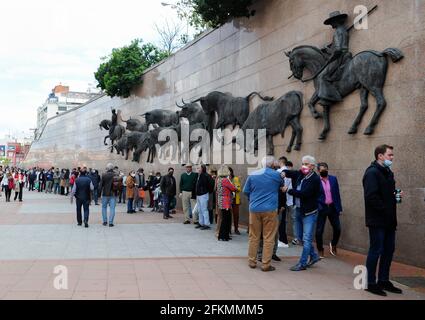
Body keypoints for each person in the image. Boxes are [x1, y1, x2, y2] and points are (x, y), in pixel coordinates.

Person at [363, 144, 403, 296]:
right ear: (380, 156)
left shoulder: (388, 172)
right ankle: (371, 283)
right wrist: (385, 209)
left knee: (389, 250)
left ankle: (383, 280)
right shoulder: (372, 173)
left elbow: (387, 193)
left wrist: (395, 195)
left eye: (392, 155)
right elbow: (371, 196)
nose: (392, 158)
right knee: (376, 250)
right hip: (378, 220)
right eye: (389, 155)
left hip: (390, 220)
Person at [243, 156, 284, 272]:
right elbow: (281, 186)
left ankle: (252, 261)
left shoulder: (253, 174)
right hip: (270, 209)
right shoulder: (276, 175)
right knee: (269, 237)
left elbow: (246, 191)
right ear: (272, 165)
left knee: (253, 236)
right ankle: (266, 264)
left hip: (254, 209)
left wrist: (254, 199)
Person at [285, 155, 321, 271]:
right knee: (299, 237)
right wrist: (283, 172)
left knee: (307, 239)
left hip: (309, 213)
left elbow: (304, 193)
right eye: (302, 163)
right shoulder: (301, 174)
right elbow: (291, 173)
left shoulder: (315, 179)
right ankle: (314, 256)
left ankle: (302, 263)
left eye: (306, 164)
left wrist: (289, 190)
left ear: (312, 166)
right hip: (299, 210)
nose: (303, 166)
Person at [317, 11, 351, 103]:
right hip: (344, 54)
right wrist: (328, 49)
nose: (331, 24)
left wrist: (329, 53)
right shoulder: (342, 30)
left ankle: (333, 97)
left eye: (332, 22)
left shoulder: (337, 32)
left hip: (340, 57)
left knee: (321, 76)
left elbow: (338, 50)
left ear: (336, 21)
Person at [316, 162, 343, 258]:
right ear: (318, 171)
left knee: (338, 228)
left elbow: (337, 194)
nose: (324, 171)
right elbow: (314, 195)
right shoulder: (316, 180)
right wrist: (318, 206)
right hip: (322, 208)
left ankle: (333, 244)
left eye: (326, 169)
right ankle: (320, 250)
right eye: (322, 170)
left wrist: (339, 208)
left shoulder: (333, 179)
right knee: (319, 231)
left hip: (333, 207)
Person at [216, 165, 237, 241]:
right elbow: (233, 188)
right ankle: (224, 236)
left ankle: (222, 235)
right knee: (226, 219)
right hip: (226, 202)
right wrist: (236, 188)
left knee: (224, 219)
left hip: (221, 201)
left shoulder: (219, 179)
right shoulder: (225, 180)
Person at [195, 164, 213, 230]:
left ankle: (206, 224)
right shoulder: (199, 175)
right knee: (200, 210)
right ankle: (201, 223)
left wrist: (207, 191)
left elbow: (211, 185)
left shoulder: (206, 175)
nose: (197, 169)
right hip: (199, 195)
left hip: (204, 195)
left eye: (198, 168)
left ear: (202, 168)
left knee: (204, 209)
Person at [228, 167, 241, 235]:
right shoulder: (225, 179)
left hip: (235, 199)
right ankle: (229, 229)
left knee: (236, 215)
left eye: (229, 172)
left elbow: (239, 189)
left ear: (231, 172)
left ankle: (236, 229)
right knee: (228, 215)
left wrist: (233, 188)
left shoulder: (236, 178)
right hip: (228, 199)